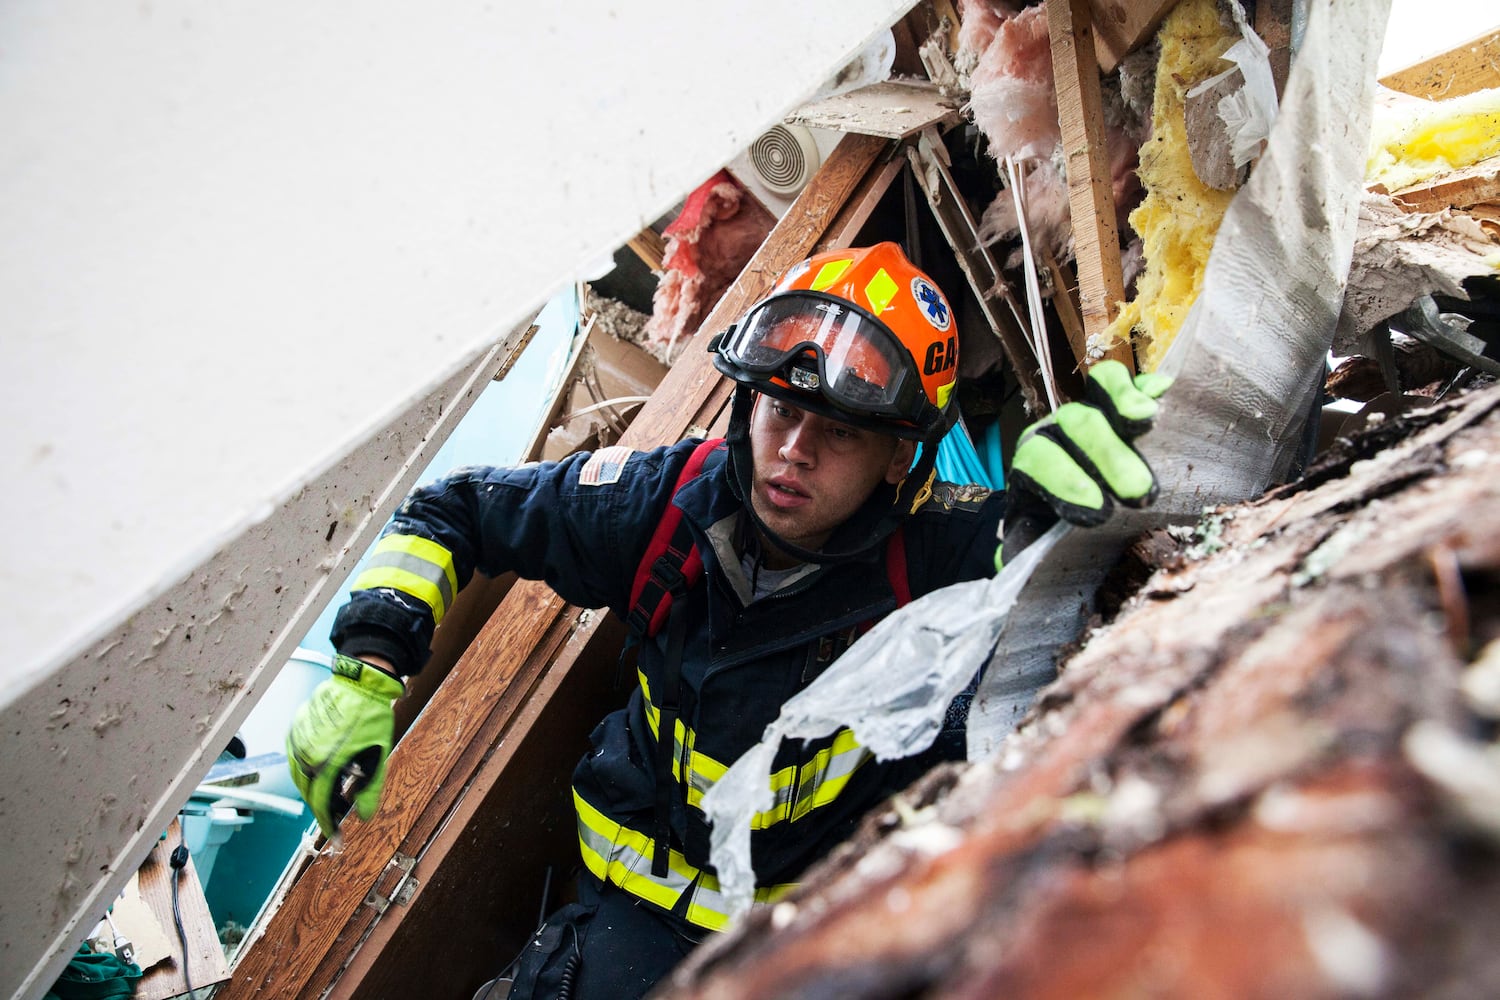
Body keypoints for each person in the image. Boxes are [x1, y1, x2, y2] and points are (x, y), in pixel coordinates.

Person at [287, 242, 1167, 998]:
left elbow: (1062, 596)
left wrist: (1061, 528)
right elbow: (454, 511)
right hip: (619, 931)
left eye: (842, 432)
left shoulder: (942, 555)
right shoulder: (663, 502)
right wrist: (367, 665)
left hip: (812, 950)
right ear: (751, 402)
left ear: (902, 455)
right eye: (783, 410)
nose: (794, 452)